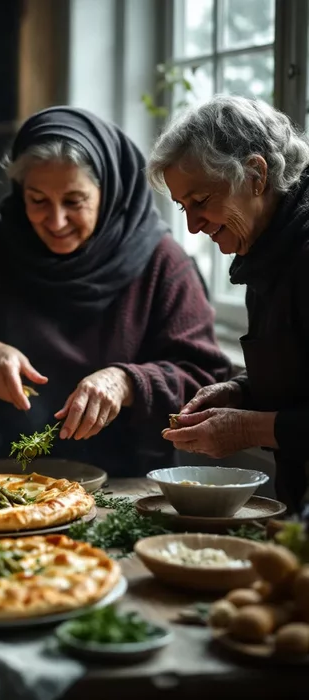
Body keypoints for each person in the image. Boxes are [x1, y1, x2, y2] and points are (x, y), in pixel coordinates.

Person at [0, 106, 232, 476]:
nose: (56, 221)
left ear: (109, 191)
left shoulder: (161, 260)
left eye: (74, 201)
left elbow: (205, 379)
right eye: (37, 200)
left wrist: (126, 381)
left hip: (125, 483)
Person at [149, 95, 309, 513]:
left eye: (200, 201)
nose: (192, 224)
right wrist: (239, 392)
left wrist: (249, 429)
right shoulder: (266, 247)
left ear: (256, 175)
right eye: (184, 207)